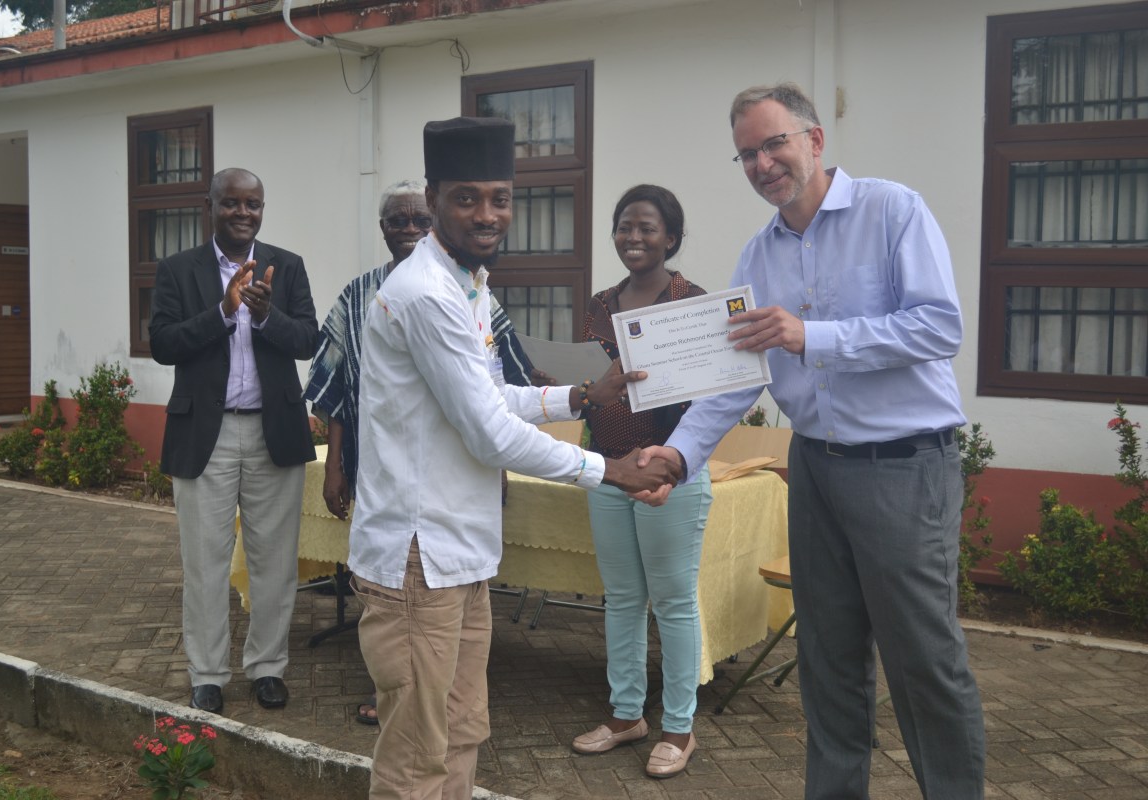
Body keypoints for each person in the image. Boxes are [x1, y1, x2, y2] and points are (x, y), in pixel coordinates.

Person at [638, 84, 986, 798]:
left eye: (774, 144)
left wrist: (812, 336)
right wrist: (680, 452)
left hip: (903, 466)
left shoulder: (892, 210)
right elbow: (735, 378)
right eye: (747, 154)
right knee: (827, 660)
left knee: (923, 660)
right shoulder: (757, 256)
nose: (762, 164)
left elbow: (938, 326)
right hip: (814, 469)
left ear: (815, 140)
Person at [347, 116, 679, 799]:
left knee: (462, 731)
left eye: (499, 198)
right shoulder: (426, 293)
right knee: (416, 756)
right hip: (418, 560)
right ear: (434, 199)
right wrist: (610, 471)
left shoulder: (467, 283)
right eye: (466, 198)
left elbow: (490, 395)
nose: (487, 214)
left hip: (461, 554)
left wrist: (582, 395)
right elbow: (489, 434)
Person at [303, 177, 537, 725]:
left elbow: (495, 386)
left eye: (417, 219)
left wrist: (502, 459)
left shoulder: (471, 288)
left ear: (432, 220)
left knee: (438, 631)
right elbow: (337, 386)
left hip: (455, 474)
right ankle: (393, 690)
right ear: (383, 229)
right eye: (397, 220)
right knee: (396, 586)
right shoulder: (362, 293)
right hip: (380, 459)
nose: (408, 228)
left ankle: (414, 694)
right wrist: (334, 465)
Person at [149, 167, 317, 716]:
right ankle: (208, 674)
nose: (243, 212)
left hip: (274, 432)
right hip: (207, 433)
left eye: (253, 204)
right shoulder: (178, 270)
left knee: (275, 563)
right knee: (205, 563)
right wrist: (224, 311)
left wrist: (266, 316)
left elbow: (308, 339)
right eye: (232, 203)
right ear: (211, 206)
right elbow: (163, 344)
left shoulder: (287, 266)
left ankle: (267, 668)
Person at [567, 185, 711, 778]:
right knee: (623, 599)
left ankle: (679, 727)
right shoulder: (599, 305)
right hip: (607, 469)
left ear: (670, 238)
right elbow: (593, 387)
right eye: (624, 226)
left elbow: (710, 392)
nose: (633, 237)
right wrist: (571, 385)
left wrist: (670, 461)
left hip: (670, 472)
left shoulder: (693, 303)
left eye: (647, 228)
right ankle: (627, 716)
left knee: (673, 603)